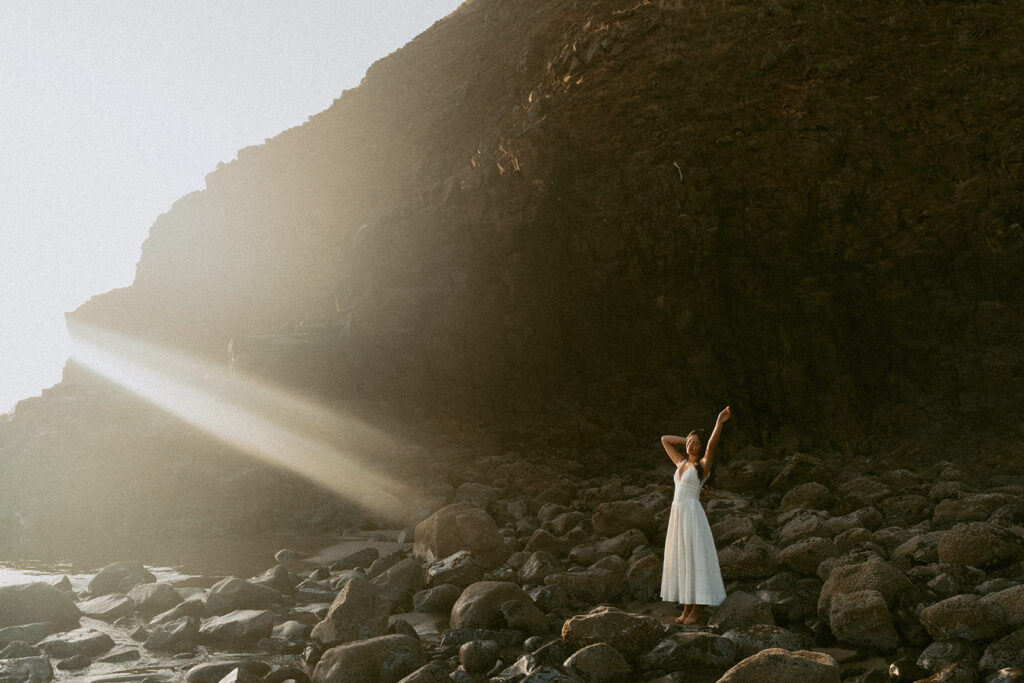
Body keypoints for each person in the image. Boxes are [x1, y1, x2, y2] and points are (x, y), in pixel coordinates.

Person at [660, 406, 731, 624]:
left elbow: (711, 445)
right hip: (677, 515)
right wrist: (688, 438)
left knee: (695, 558)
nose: (691, 445)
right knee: (682, 560)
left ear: (701, 448)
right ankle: (686, 609)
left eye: (695, 443)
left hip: (692, 514)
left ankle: (697, 611)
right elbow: (664, 439)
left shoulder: (702, 465)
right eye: (690, 442)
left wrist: (718, 423)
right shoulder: (680, 463)